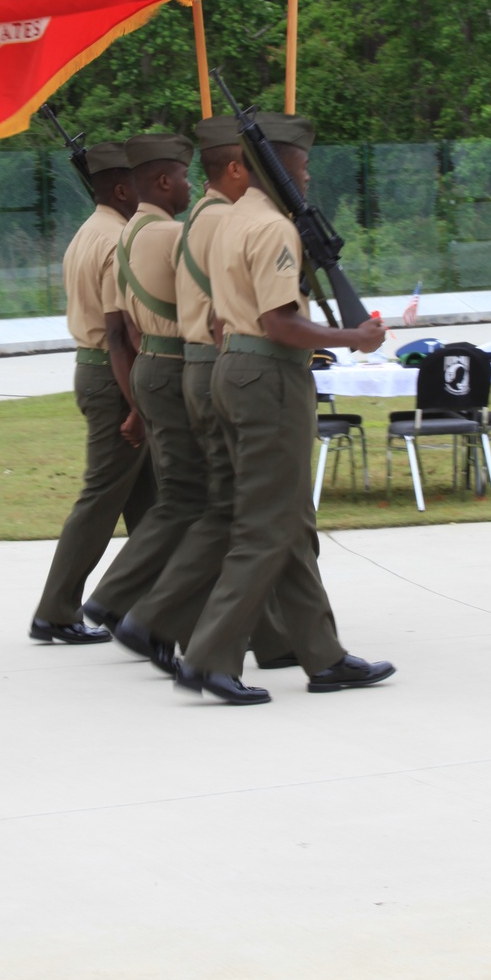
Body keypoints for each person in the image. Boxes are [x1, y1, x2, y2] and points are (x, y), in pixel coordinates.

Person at [175, 112, 396, 705]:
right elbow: (278, 322)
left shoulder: (231, 216)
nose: (307, 180)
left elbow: (229, 315)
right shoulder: (273, 228)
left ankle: (323, 657)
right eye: (300, 170)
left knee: (291, 524)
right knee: (267, 527)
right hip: (269, 376)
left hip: (236, 369)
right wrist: (356, 339)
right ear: (279, 170)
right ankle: (208, 657)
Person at [114, 115, 292, 670]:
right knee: (228, 508)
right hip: (221, 366)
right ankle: (156, 617)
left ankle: (279, 637)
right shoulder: (223, 222)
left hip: (187, 363)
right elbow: (231, 311)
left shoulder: (186, 222)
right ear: (237, 167)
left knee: (230, 508)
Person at [81, 131, 207, 668]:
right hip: (175, 366)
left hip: (150, 366)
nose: (190, 184)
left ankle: (136, 608)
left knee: (174, 500)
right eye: (184, 176)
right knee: (193, 500)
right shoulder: (169, 234)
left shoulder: (128, 231)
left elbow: (124, 329)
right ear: (162, 180)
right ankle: (131, 607)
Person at [29, 142, 156, 644]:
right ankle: (56, 611)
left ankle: (134, 607)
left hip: (99, 370)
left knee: (153, 505)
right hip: (116, 377)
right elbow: (122, 333)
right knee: (101, 499)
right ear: (123, 189)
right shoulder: (119, 240)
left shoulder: (88, 232)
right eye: (142, 183)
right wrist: (137, 404)